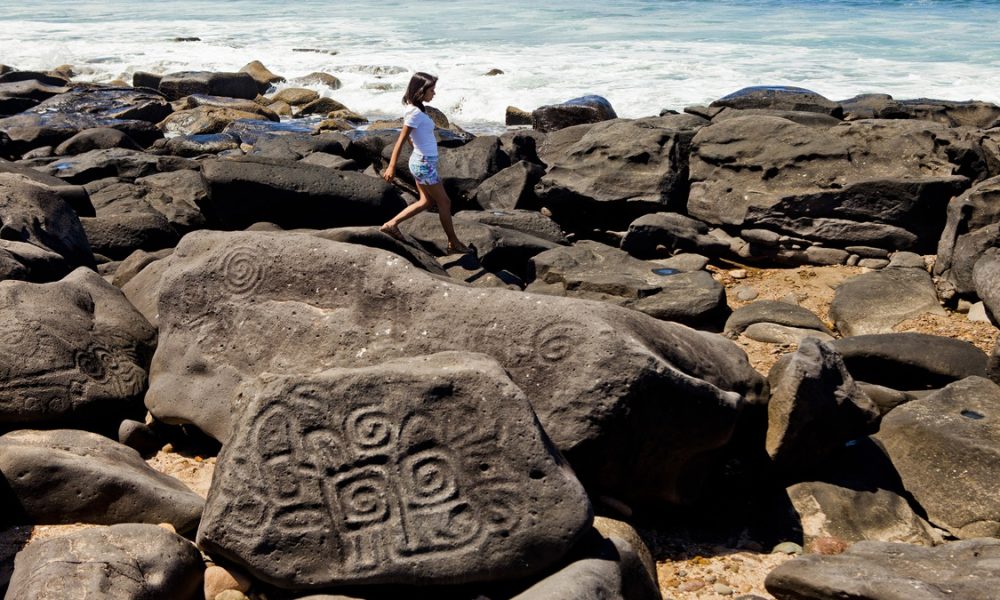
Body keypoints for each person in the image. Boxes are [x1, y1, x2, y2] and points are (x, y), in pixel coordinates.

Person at [380, 72, 471, 254]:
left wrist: (417, 147)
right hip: (423, 164)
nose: (434, 93)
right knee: (444, 202)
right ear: (421, 91)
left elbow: (412, 137)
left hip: (421, 161)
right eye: (432, 90)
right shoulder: (414, 112)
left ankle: (391, 224)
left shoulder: (414, 109)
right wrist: (391, 166)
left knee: (426, 201)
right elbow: (401, 139)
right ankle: (453, 242)